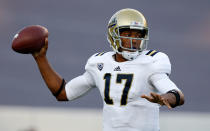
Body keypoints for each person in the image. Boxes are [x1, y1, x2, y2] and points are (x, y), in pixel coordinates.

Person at [32, 8, 184, 131]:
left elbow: (177, 95)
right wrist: (41, 59)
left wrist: (165, 98)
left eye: (138, 35)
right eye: (128, 34)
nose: (134, 40)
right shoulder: (99, 63)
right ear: (114, 35)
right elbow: (63, 93)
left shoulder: (152, 61)